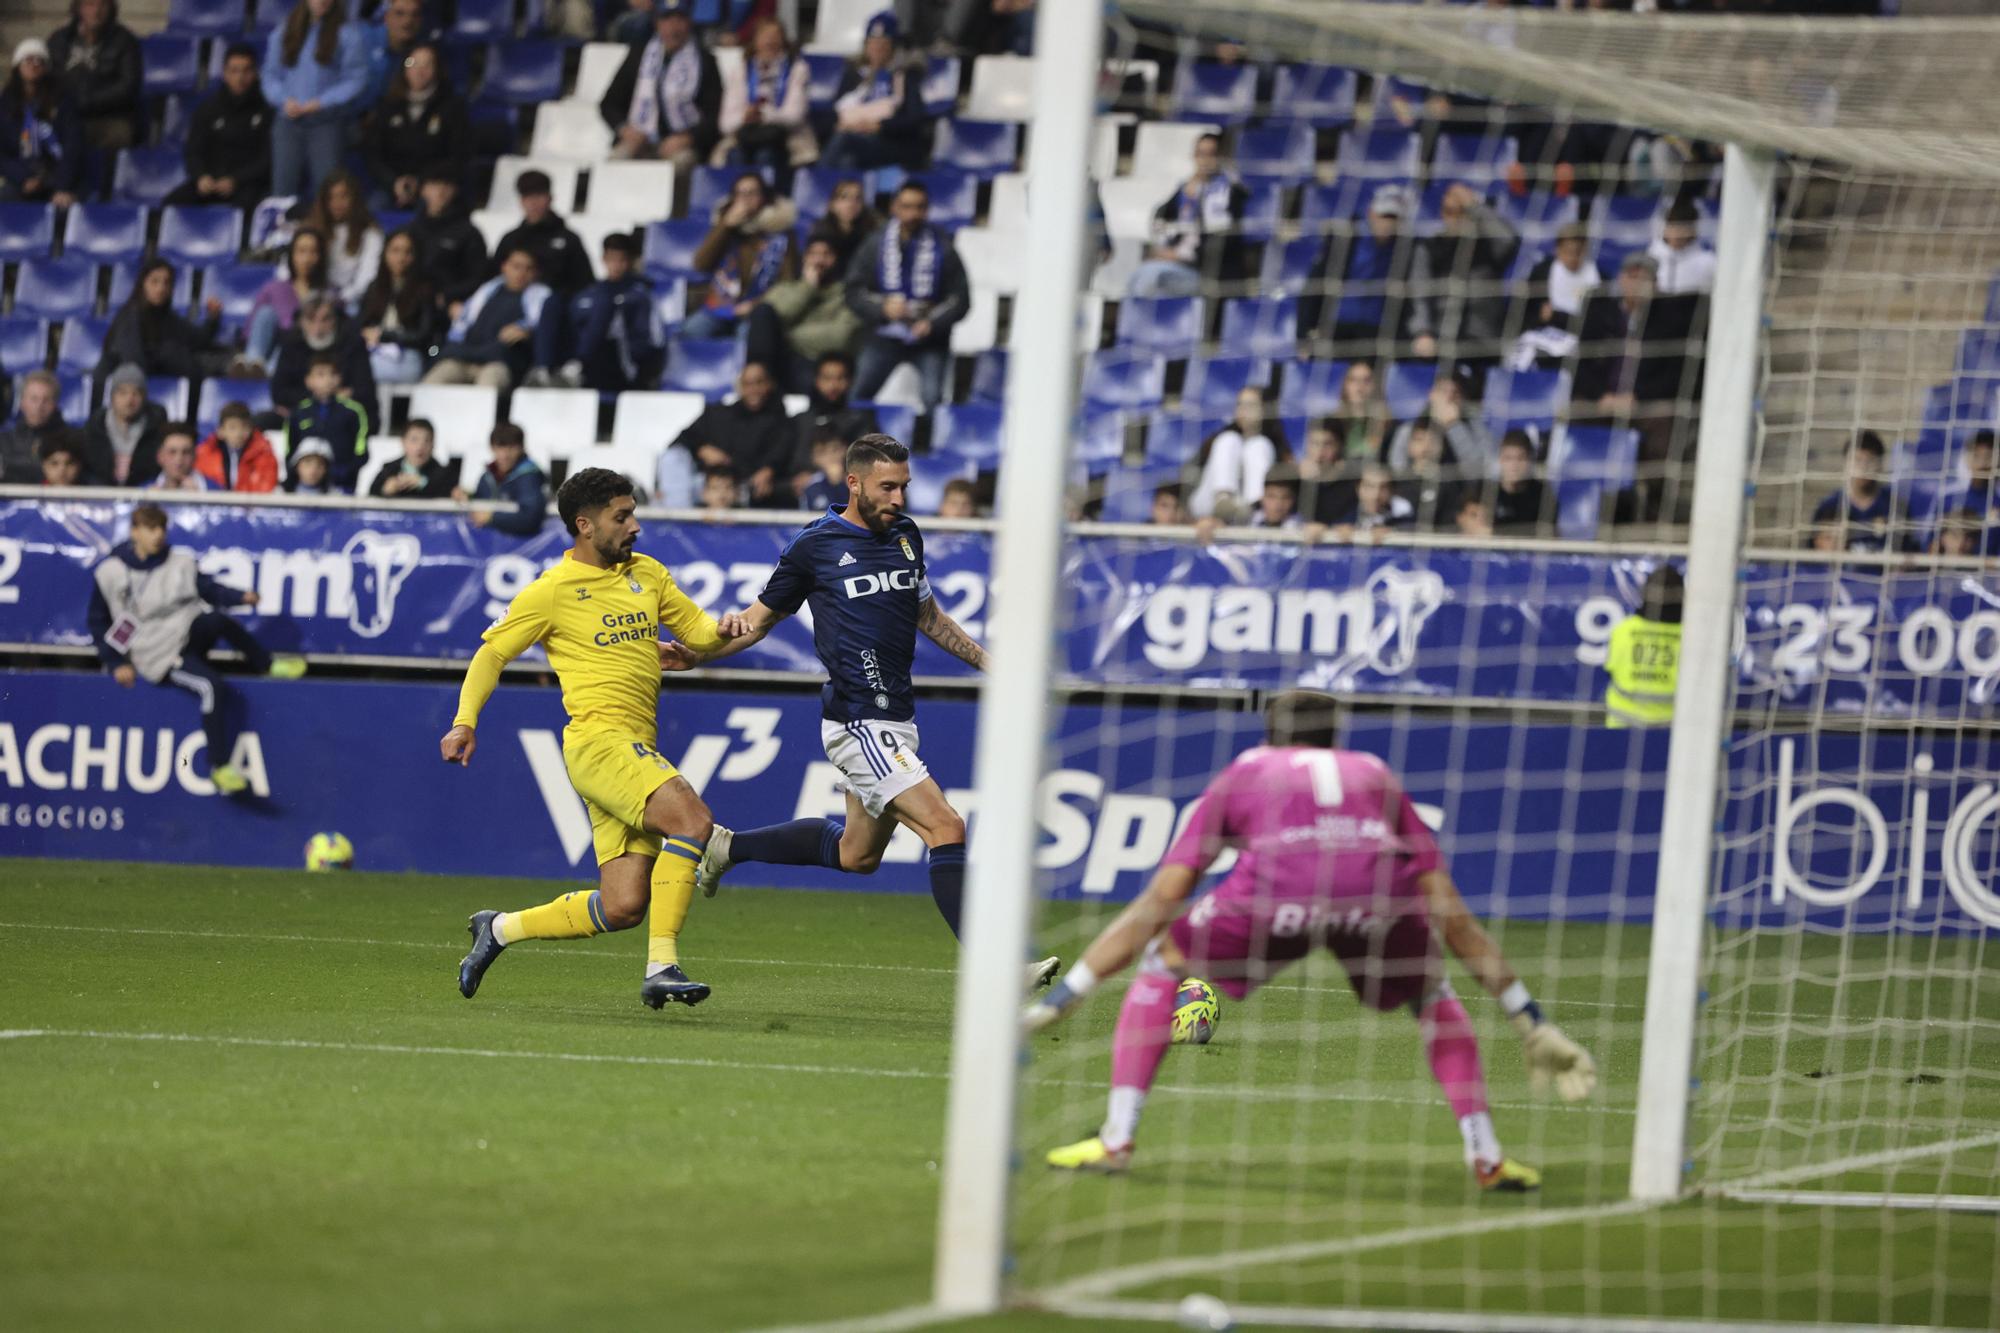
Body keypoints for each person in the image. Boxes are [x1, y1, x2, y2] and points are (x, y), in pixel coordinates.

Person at [1024, 689, 1596, 1183]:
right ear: (1335, 739)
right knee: (1432, 995)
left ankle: (1117, 1140)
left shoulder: (1247, 771)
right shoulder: (1373, 773)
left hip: (1275, 896)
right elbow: (1454, 918)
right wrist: (1531, 1022)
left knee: (1159, 964)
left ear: (1270, 738)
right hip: (1374, 902)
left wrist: (1065, 997)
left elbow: (1160, 901)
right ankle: (1488, 1157)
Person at [659, 433, 1061, 989]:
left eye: (904, 486)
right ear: (854, 483)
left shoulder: (905, 536)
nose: (899, 497)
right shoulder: (815, 545)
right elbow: (759, 619)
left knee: (857, 855)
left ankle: (728, 847)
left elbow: (929, 616)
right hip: (856, 722)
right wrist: (697, 655)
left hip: (897, 719)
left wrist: (996, 666)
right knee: (946, 826)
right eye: (887, 486)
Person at [446, 468, 745, 1008]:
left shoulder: (647, 574)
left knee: (623, 905)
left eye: (633, 514)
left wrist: (728, 630)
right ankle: (662, 966)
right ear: (585, 525)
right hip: (597, 742)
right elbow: (493, 653)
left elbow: (698, 632)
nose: (635, 527)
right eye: (622, 517)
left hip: (636, 746)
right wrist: (465, 721)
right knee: (693, 820)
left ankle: (500, 929)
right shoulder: (551, 592)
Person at [89, 505, 309, 796]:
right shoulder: (110, 571)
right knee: (211, 686)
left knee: (216, 620)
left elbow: (209, 590)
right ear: (135, 531)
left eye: (162, 528)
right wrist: (115, 661)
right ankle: (219, 766)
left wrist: (240, 597)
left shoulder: (179, 562)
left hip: (185, 633)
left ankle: (266, 664)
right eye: (151, 528)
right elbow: (98, 621)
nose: (158, 535)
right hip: (157, 654)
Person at [1569, 251, 1704, 523]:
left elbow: (1678, 373)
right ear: (1620, 278)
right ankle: (1575, 502)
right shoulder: (1599, 310)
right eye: (1631, 276)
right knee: (1571, 415)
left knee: (1665, 427)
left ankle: (1653, 507)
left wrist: (1638, 396)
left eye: (1644, 277)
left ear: (1656, 284)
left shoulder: (1672, 318)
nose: (1636, 282)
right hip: (1602, 400)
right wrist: (1603, 396)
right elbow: (1578, 364)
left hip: (1646, 402)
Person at [846, 181, 968, 408]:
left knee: (933, 401)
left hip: (929, 339)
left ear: (927, 209)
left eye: (919, 207)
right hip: (884, 335)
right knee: (857, 397)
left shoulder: (942, 246)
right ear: (894, 207)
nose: (912, 214)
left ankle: (926, 444)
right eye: (906, 206)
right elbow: (852, 291)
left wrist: (933, 323)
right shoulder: (875, 245)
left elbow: (962, 299)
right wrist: (882, 308)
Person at [1301, 186, 1430, 357]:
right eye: (1384, 216)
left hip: (1379, 332)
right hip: (1336, 327)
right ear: (1371, 213)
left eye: (1394, 217)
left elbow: (1417, 293)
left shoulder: (1408, 250)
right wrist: (1304, 334)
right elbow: (1314, 285)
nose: (1388, 222)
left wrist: (1421, 331)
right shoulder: (1343, 241)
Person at [1415, 183, 1519, 391]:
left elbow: (1510, 239)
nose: (1454, 218)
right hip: (1442, 339)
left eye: (1461, 211)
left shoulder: (1489, 246)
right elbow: (1419, 294)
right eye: (1449, 212)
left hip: (1484, 341)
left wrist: (1474, 205)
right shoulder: (1429, 248)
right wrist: (1422, 331)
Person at [262, 0, 371, 198]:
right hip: (288, 121)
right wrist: (283, 100)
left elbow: (356, 79)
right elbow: (270, 75)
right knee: (282, 190)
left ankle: (324, 228)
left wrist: (323, 102)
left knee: (327, 191)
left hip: (327, 123)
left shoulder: (347, 34)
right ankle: (282, 228)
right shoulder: (283, 31)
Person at [532, 232, 664, 391]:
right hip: (581, 358)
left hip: (617, 363)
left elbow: (652, 341)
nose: (616, 265)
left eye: (621, 260)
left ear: (630, 262)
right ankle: (544, 370)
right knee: (553, 302)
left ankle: (576, 367)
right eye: (611, 259)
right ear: (603, 259)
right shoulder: (590, 292)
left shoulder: (640, 295)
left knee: (604, 304)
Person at [601, 0, 721, 170]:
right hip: (639, 139)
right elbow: (609, 104)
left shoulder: (705, 61)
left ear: (689, 23)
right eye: (667, 19)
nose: (673, 27)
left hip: (683, 144)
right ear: (657, 23)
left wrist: (687, 138)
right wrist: (626, 131)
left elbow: (714, 115)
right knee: (616, 160)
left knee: (682, 164)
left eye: (680, 19)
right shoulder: (638, 56)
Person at [1129, 133, 1247, 299]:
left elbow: (1222, 241)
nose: (1205, 161)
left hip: (1205, 272)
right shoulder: (1185, 190)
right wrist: (1162, 251)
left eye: (1211, 155)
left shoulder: (1229, 191)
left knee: (1151, 277)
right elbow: (1160, 218)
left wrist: (1179, 256)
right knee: (1137, 276)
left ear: (1221, 157)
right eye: (1200, 154)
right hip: (1177, 266)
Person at [682, 172, 798, 340]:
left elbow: (787, 282)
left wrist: (756, 305)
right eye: (740, 193)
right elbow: (701, 264)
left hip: (758, 308)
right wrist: (725, 226)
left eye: (752, 193)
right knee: (690, 331)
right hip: (721, 306)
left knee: (747, 338)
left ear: (764, 198)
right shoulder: (726, 228)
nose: (745, 199)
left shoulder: (780, 234)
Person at [667, 361, 793, 506]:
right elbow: (683, 438)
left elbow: (781, 455)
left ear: (769, 384)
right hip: (704, 486)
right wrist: (701, 449)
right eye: (747, 384)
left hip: (743, 487)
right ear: (739, 387)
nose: (753, 389)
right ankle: (676, 518)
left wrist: (769, 469)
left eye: (759, 382)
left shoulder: (780, 422)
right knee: (672, 457)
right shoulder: (718, 414)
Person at [748, 238, 865, 394]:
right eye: (813, 254)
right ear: (804, 258)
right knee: (762, 311)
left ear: (836, 259)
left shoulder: (847, 295)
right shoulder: (784, 288)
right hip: (778, 362)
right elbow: (768, 323)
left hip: (816, 363)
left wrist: (786, 336)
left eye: (826, 254)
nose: (819, 260)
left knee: (818, 381)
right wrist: (807, 288)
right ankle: (757, 384)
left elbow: (840, 337)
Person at [360, 41, 467, 211]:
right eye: (412, 63)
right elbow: (373, 153)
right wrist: (394, 182)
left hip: (434, 184)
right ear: (404, 68)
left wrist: (421, 181)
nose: (419, 71)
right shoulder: (388, 105)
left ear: (437, 70)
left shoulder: (452, 107)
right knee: (373, 208)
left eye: (427, 64)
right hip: (392, 185)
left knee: (432, 207)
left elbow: (458, 155)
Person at [425, 247, 552, 389]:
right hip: (463, 358)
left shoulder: (543, 300)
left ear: (536, 273)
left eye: (528, 268)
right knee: (432, 382)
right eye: (516, 266)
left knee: (488, 385)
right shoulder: (485, 292)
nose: (522, 273)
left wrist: (529, 333)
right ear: (504, 267)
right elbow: (460, 329)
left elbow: (544, 336)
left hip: (499, 363)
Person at [820, 12, 930, 172]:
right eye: (873, 43)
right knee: (848, 159)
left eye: (883, 44)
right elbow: (835, 109)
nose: (877, 49)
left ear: (893, 47)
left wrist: (878, 126)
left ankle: (820, 186)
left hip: (890, 142)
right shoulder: (854, 74)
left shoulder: (904, 75)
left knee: (844, 141)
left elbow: (914, 119)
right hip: (855, 137)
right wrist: (843, 124)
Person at [167, 42, 272, 209]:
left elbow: (267, 160)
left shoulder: (267, 110)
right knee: (172, 203)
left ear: (255, 73)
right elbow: (193, 151)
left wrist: (236, 180)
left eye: (246, 71)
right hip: (210, 183)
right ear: (224, 73)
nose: (240, 78)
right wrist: (201, 176)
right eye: (234, 71)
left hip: (246, 185)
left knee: (249, 205)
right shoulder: (208, 109)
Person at [98, 258, 230, 382]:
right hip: (119, 389)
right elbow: (133, 362)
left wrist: (212, 318)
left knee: (191, 354)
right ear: (142, 284)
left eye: (166, 283)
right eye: (154, 282)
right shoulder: (129, 315)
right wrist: (163, 360)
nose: (161, 289)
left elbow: (198, 340)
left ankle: (232, 363)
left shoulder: (167, 317)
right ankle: (227, 366)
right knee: (172, 353)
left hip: (149, 381)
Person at [716, 18, 816, 179]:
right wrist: (745, 116)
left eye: (775, 36)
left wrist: (764, 114)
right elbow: (725, 124)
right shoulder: (741, 70)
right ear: (754, 41)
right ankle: (738, 201)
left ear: (783, 41)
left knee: (766, 155)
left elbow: (795, 115)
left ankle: (767, 201)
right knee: (736, 155)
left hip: (787, 137)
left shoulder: (798, 69)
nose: (770, 41)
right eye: (764, 36)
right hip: (745, 135)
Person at [46, 0, 142, 153]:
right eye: (90, 4)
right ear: (78, 8)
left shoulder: (125, 41)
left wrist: (87, 101)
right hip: (66, 115)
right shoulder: (60, 40)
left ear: (111, 8)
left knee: (115, 134)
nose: (96, 11)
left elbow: (127, 87)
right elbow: (49, 79)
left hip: (108, 117)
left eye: (102, 5)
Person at [237, 226, 332, 378]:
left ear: (321, 256)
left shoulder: (329, 294)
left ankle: (265, 373)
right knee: (265, 313)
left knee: (290, 342)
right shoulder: (274, 288)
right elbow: (251, 331)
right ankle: (251, 365)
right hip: (271, 345)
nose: (307, 259)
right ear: (292, 255)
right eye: (301, 251)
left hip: (304, 353)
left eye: (313, 252)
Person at [1187, 387, 1289, 522]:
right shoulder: (1220, 438)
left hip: (1245, 511)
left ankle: (1254, 508)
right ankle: (1223, 499)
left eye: (1250, 405)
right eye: (1240, 404)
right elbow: (1189, 471)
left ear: (1265, 410)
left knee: (1259, 444)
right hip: (1208, 506)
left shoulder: (1273, 445)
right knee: (1229, 439)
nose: (1243, 410)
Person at [783, 353, 878, 495]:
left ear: (850, 381)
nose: (833, 385)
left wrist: (824, 478)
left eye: (840, 378)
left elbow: (868, 464)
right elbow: (784, 463)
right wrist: (795, 482)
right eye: (827, 378)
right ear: (816, 380)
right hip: (796, 497)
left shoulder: (860, 422)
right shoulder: (799, 421)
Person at [0, 40, 81, 206]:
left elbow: (73, 147)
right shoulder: (6, 104)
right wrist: (23, 177)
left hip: (57, 176)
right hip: (22, 178)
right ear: (18, 66)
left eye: (40, 61)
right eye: (28, 60)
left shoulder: (64, 102)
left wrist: (62, 186)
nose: (34, 65)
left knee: (64, 207)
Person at [1509, 221, 1597, 371]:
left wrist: (1556, 316)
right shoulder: (1542, 273)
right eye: (1569, 251)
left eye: (1578, 251)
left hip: (1578, 343)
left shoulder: (1596, 279)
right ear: (1558, 250)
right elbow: (1526, 314)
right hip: (1542, 337)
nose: (1573, 257)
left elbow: (1593, 324)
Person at [271, 295, 377, 416]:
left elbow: (365, 391)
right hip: (301, 413)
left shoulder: (353, 343)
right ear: (301, 321)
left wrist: (335, 400)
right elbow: (279, 392)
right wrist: (321, 397)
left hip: (344, 414)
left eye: (325, 319)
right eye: (311, 319)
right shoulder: (292, 343)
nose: (318, 328)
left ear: (335, 320)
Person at [357, 228, 439, 385]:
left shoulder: (424, 290)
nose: (401, 258)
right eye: (395, 251)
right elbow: (361, 323)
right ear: (385, 253)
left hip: (408, 353)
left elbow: (424, 334)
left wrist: (385, 335)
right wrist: (367, 334)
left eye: (408, 252)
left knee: (367, 372)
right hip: (373, 350)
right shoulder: (374, 288)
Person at [1604, 564, 1683, 728]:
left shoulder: (1624, 630)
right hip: (1674, 734)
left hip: (1621, 727)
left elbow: (1610, 669)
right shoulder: (1692, 637)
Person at [494, 169, 594, 297]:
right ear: (521, 201)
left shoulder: (569, 239)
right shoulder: (510, 239)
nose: (533, 202)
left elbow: (584, 283)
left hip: (555, 306)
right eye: (528, 196)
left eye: (539, 195)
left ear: (550, 198)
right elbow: (494, 278)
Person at [1810, 430, 1912, 554]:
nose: (1863, 468)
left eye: (1869, 460)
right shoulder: (1828, 506)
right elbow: (1812, 559)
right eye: (1857, 460)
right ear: (1845, 464)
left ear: (1880, 465)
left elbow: (1907, 554)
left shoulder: (1895, 507)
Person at [407, 169, 489, 312]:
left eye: (447, 185)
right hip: (408, 299)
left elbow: (478, 278)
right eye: (434, 185)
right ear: (423, 190)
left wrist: (448, 295)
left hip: (447, 305)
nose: (440, 191)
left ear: (455, 191)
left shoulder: (469, 233)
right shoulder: (410, 229)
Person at [287, 352, 370, 492]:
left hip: (343, 487)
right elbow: (289, 451)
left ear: (339, 379)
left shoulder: (354, 411)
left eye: (332, 374)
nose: (328, 379)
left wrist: (343, 473)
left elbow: (362, 451)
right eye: (320, 374)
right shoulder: (298, 412)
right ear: (308, 380)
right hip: (305, 488)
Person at [303, 170, 383, 310]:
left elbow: (367, 279)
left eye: (343, 196)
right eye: (331, 197)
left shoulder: (371, 235)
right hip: (309, 298)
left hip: (349, 301)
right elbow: (287, 270)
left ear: (355, 199)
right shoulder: (310, 230)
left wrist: (339, 298)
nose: (337, 203)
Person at [82, 362, 167, 486]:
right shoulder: (95, 427)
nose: (129, 400)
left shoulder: (158, 427)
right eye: (122, 393)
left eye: (136, 393)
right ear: (112, 396)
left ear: (144, 398)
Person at [1386, 378, 1494, 475]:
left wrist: (1453, 426)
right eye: (1443, 391)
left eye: (1456, 393)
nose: (1449, 398)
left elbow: (1481, 469)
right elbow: (1396, 468)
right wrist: (1415, 470)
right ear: (1431, 394)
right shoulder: (1410, 428)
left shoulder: (1474, 425)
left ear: (1463, 399)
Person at [459, 423, 549, 536]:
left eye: (511, 448)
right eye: (499, 448)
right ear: (491, 448)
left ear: (521, 448)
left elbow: (530, 518)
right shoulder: (487, 476)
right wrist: (466, 496)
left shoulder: (529, 477)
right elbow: (480, 499)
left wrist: (491, 518)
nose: (505, 455)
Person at [357, 0, 435, 125]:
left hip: (382, 124)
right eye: (399, 13)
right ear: (386, 16)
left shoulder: (421, 53)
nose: (408, 22)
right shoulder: (360, 38)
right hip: (343, 117)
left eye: (415, 15)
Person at [1394, 417, 1470, 529]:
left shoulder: (1453, 484)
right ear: (1409, 446)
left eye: (1432, 441)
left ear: (1442, 447)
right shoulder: (1396, 482)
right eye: (1419, 439)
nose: (1426, 447)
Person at [195, 401, 282, 492]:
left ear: (251, 429)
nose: (238, 433)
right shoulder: (203, 454)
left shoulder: (265, 455)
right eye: (232, 427)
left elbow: (265, 489)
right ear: (220, 431)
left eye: (244, 427)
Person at [0, 369, 69, 482]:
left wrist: (8, 468)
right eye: (34, 399)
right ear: (22, 402)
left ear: (55, 404)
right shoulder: (4, 440)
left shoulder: (70, 441)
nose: (39, 406)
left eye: (46, 400)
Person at [370, 417, 455, 499]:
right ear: (403, 442)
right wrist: (385, 490)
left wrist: (423, 483)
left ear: (433, 445)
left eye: (427, 441)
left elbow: (449, 494)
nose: (420, 447)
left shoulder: (443, 473)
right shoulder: (389, 469)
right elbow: (371, 495)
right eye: (414, 440)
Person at [806, 177, 879, 271]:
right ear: (832, 204)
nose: (852, 203)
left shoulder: (870, 234)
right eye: (844, 197)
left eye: (858, 198)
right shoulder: (820, 234)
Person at [1333, 460, 1416, 540]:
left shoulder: (1405, 518)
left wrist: (1393, 532)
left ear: (1392, 491)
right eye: (1369, 486)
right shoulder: (1344, 516)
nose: (1375, 495)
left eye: (1383, 488)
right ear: (1358, 488)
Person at [1647, 200, 1715, 296]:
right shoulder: (1650, 259)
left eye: (1683, 228)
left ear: (1693, 230)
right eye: (1673, 226)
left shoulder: (1709, 263)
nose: (1677, 234)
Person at [1490, 430, 1548, 533]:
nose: (1514, 465)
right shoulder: (1487, 493)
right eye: (1508, 458)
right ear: (1500, 460)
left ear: (1530, 460)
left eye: (1521, 458)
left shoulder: (1542, 495)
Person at [145, 424, 217, 491]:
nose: (179, 459)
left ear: (195, 456)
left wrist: (199, 500)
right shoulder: (143, 490)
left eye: (186, 452)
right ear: (159, 456)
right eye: (172, 452)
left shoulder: (215, 491)